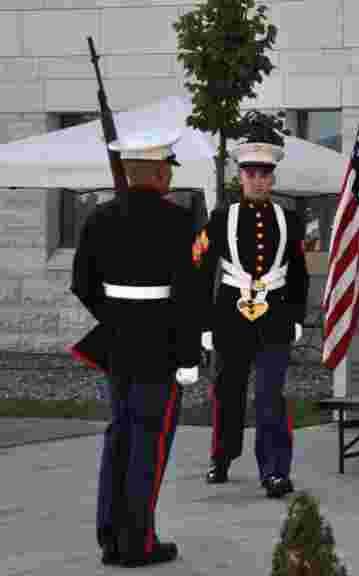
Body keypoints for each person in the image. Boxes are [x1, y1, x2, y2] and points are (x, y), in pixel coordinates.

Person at [70, 128, 199, 567]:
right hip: (161, 350)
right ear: (161, 173)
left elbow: (82, 285)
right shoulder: (181, 223)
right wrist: (188, 357)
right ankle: (138, 542)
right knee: (149, 440)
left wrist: (117, 315)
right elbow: (189, 297)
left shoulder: (98, 219)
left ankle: (110, 535)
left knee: (119, 436)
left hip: (118, 346)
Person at [194, 131, 310, 498]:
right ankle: (222, 455)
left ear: (273, 178)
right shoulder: (220, 217)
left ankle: (275, 470)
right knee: (227, 392)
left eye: (264, 174)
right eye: (250, 173)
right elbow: (201, 271)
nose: (258, 180)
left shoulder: (290, 219)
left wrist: (295, 317)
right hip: (230, 315)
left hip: (274, 314)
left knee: (270, 394)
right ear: (239, 177)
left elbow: (299, 271)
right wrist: (205, 324)